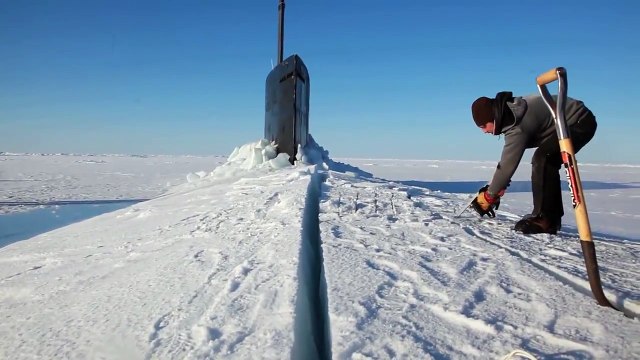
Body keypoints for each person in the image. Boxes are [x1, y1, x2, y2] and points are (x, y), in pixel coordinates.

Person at [470, 91, 597, 234]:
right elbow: (507, 165)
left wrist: (489, 195)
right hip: (568, 121)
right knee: (544, 157)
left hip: (579, 121)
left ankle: (545, 219)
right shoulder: (511, 112)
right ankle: (550, 218)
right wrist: (498, 186)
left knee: (544, 158)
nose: (484, 131)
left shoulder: (516, 125)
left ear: (492, 118)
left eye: (483, 126)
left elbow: (507, 165)